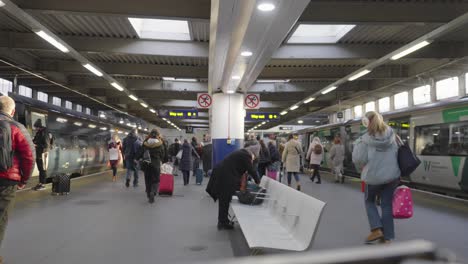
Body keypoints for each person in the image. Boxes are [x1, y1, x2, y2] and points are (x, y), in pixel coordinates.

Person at [352, 111, 400, 244]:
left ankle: (376, 229)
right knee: (386, 205)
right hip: (392, 177)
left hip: (373, 177)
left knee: (369, 201)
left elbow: (358, 159)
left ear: (367, 122)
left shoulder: (364, 139)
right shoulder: (392, 135)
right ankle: (388, 237)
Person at [0, 96, 35, 262]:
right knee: (1, 217)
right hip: (7, 180)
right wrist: (24, 180)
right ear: (12, 111)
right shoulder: (17, 127)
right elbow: (29, 156)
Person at [206, 148, 260, 230]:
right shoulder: (246, 156)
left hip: (222, 174)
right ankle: (223, 222)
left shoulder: (241, 153)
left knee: (224, 199)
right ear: (253, 155)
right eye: (253, 159)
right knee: (224, 199)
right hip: (224, 176)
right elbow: (251, 169)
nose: (252, 161)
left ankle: (223, 221)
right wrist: (258, 181)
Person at [135, 129, 166, 203]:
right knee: (156, 180)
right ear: (157, 135)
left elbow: (140, 152)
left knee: (148, 180)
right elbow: (163, 154)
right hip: (156, 164)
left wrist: (136, 158)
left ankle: (149, 194)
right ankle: (153, 192)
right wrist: (162, 160)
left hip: (147, 164)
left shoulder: (145, 143)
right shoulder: (160, 144)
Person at [32, 119, 50, 190]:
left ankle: (43, 185)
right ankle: (40, 183)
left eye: (36, 127)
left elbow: (46, 145)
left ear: (39, 127)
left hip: (43, 154)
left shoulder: (44, 133)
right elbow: (35, 140)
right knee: (40, 169)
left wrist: (36, 145)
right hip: (38, 153)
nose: (35, 129)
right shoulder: (39, 133)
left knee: (43, 169)